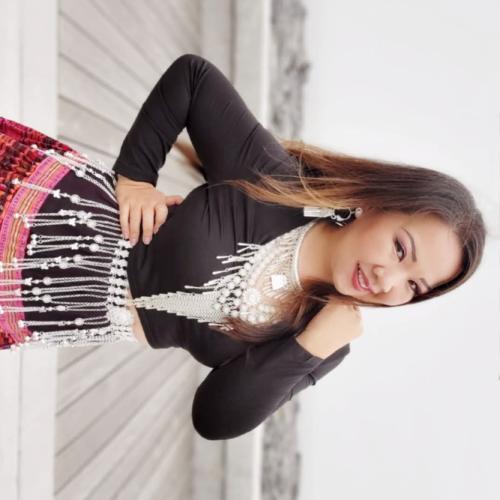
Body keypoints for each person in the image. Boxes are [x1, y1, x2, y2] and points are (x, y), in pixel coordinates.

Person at [0, 53, 486, 441]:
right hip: (31, 205)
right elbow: (192, 78)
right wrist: (135, 177)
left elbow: (215, 417)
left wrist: (308, 347)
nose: (388, 280)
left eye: (414, 286)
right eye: (400, 250)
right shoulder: (276, 185)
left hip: (32, 309)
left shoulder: (322, 343)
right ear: (375, 204)